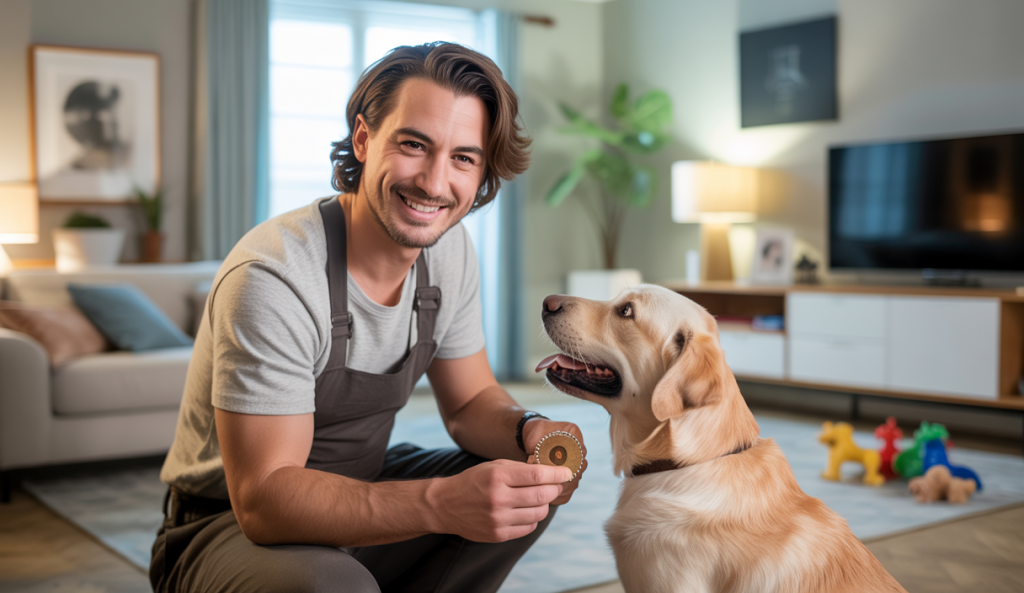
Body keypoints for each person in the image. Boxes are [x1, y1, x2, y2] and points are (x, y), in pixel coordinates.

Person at [150, 42, 587, 593]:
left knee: (521, 495)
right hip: (224, 524)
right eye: (413, 145)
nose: (432, 182)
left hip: (363, 486)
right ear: (363, 139)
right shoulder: (275, 277)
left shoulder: (450, 253)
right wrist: (436, 504)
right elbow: (263, 502)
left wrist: (529, 430)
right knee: (332, 585)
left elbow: (471, 403)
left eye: (463, 158)